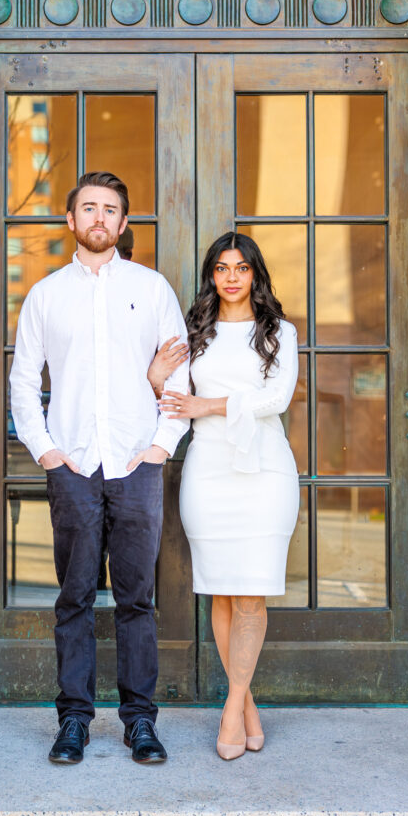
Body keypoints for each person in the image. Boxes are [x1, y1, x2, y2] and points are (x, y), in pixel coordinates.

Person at [10, 171, 189, 766]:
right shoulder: (45, 296)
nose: (100, 218)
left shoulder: (152, 288)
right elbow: (22, 382)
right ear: (70, 220)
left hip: (137, 463)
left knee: (137, 599)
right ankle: (75, 722)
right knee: (75, 598)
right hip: (75, 466)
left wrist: (161, 446)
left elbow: (178, 375)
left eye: (111, 209)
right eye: (89, 207)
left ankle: (140, 721)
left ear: (123, 222)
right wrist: (48, 452)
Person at [154, 231, 299, 760]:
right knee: (220, 590)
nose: (231, 276)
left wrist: (208, 406)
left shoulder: (281, 332)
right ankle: (247, 706)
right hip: (209, 471)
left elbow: (275, 399)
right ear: (211, 275)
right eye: (221, 268)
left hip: (265, 471)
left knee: (252, 594)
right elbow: (170, 397)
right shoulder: (195, 333)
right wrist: (156, 380)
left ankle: (232, 706)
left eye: (241, 267)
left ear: (255, 274)